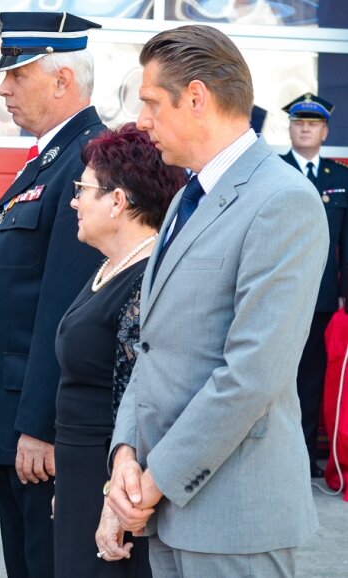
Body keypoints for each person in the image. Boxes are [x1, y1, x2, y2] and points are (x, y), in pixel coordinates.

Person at [104, 25, 328, 577]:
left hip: (236, 520)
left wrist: (152, 484)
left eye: (153, 103)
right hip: (165, 511)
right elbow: (151, 348)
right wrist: (125, 455)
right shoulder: (187, 196)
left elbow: (252, 373)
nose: (143, 122)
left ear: (198, 97)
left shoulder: (283, 201)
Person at [0, 11, 106, 577]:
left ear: (62, 80)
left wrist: (41, 424)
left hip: (34, 424)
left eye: (17, 75)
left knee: (43, 562)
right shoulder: (51, 157)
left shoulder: (89, 159)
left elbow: (66, 308)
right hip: (10, 412)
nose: (2, 88)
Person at [54, 123, 185, 578]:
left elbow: (145, 401)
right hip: (81, 479)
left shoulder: (147, 282)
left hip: (114, 485)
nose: (74, 201)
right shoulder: (110, 268)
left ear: (118, 201)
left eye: (82, 189)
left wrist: (114, 498)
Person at [279, 93, 348, 479]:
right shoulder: (274, 171)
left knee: (311, 378)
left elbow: (346, 246)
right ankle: (277, 457)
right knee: (275, 375)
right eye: (298, 122)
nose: (305, 128)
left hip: (321, 301)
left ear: (324, 130)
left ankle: (303, 457)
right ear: (289, 128)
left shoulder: (340, 179)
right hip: (279, 297)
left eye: (312, 123)